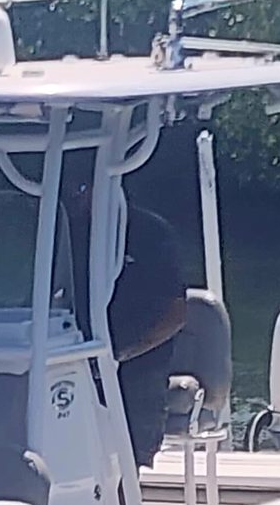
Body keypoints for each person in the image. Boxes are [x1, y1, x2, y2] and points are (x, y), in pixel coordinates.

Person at [64, 184, 192, 466]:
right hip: (71, 357)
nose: (77, 195)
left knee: (129, 456)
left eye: (84, 187)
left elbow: (176, 313)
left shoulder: (151, 232)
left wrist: (120, 355)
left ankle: (129, 485)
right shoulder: (63, 233)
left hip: (138, 365)